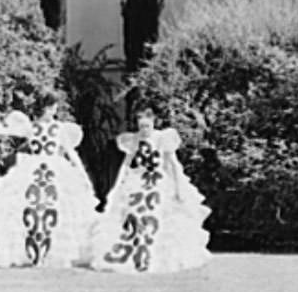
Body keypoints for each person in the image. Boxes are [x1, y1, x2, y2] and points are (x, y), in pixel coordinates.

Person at [87, 103, 211, 273]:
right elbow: (126, 164)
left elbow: (173, 164)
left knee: (159, 216)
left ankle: (156, 257)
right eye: (141, 126)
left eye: (147, 126)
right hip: (138, 181)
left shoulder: (162, 138)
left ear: (153, 123)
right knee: (132, 214)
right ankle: (133, 254)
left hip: (158, 182)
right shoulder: (133, 140)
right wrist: (117, 186)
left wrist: (179, 187)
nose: (144, 130)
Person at [0, 91, 97, 268]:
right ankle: (31, 252)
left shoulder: (59, 128)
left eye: (54, 107)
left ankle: (52, 252)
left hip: (55, 169)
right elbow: (1, 131)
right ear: (45, 108)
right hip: (32, 169)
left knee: (58, 208)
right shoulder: (31, 127)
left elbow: (70, 152)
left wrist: (82, 174)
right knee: (27, 208)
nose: (53, 110)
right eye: (51, 106)